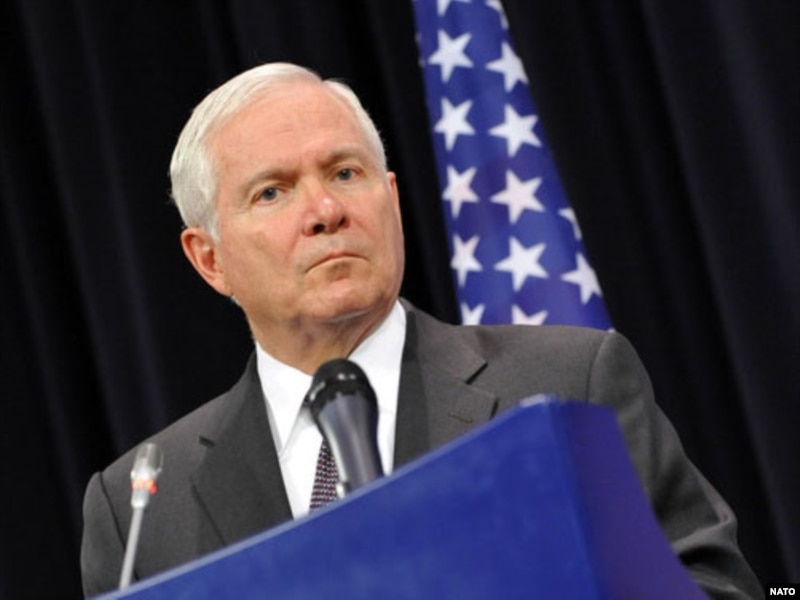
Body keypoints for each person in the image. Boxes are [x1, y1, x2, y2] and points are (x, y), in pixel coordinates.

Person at [80, 62, 761, 598]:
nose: (324, 209)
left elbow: (717, 588)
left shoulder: (566, 381)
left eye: (345, 172)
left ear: (392, 199)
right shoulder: (140, 507)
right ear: (210, 259)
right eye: (273, 192)